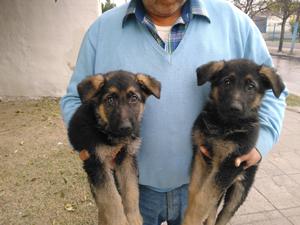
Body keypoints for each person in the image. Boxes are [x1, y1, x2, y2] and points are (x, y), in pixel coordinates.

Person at [60, 0, 287, 224]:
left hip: (204, 187)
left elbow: (275, 91)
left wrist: (261, 141)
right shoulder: (101, 29)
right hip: (126, 188)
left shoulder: (236, 23)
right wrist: (88, 148)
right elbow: (73, 99)